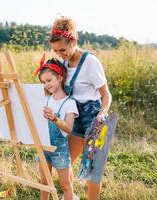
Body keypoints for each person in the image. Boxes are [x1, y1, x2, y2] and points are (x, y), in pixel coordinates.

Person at [49, 16, 112, 200]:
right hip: (73, 118)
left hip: (94, 117)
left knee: (92, 170)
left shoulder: (91, 62)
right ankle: (70, 196)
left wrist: (102, 114)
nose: (61, 54)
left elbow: (106, 94)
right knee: (64, 162)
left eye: (63, 49)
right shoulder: (63, 64)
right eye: (56, 51)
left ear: (74, 41)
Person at [34, 55, 79, 200]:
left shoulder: (69, 103)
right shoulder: (45, 99)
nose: (46, 84)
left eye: (49, 80)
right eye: (43, 82)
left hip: (59, 150)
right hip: (43, 147)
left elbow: (69, 128)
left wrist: (54, 118)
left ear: (60, 77)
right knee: (44, 182)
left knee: (65, 185)